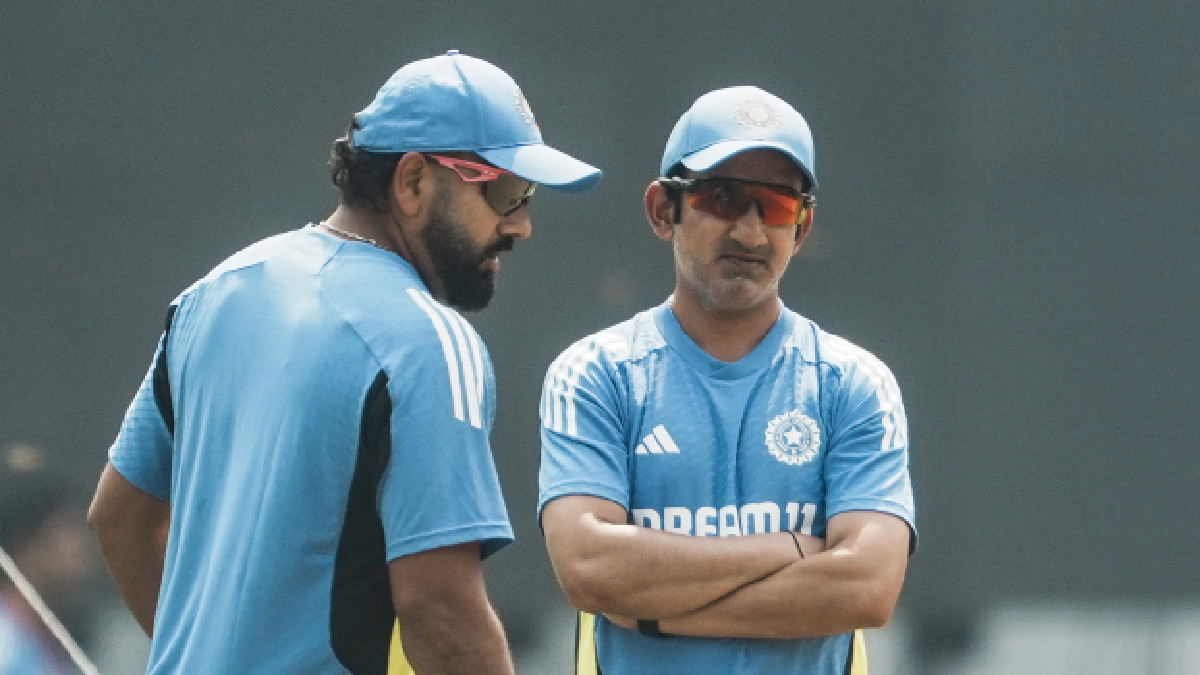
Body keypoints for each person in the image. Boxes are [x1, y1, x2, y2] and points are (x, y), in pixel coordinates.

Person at [87, 50, 600, 674]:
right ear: (413, 181)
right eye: (506, 193)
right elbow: (442, 615)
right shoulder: (429, 340)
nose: (522, 226)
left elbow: (119, 520)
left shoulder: (214, 292)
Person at [537, 86, 916, 674]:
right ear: (663, 210)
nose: (750, 233)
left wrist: (654, 612)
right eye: (722, 197)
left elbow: (867, 588)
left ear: (803, 228)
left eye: (778, 206)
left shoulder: (854, 383)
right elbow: (591, 570)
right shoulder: (596, 373)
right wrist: (794, 549)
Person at [1, 447, 97, 675]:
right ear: (26, 544)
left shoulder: (53, 638)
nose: (80, 545)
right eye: (65, 528)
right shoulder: (5, 642)